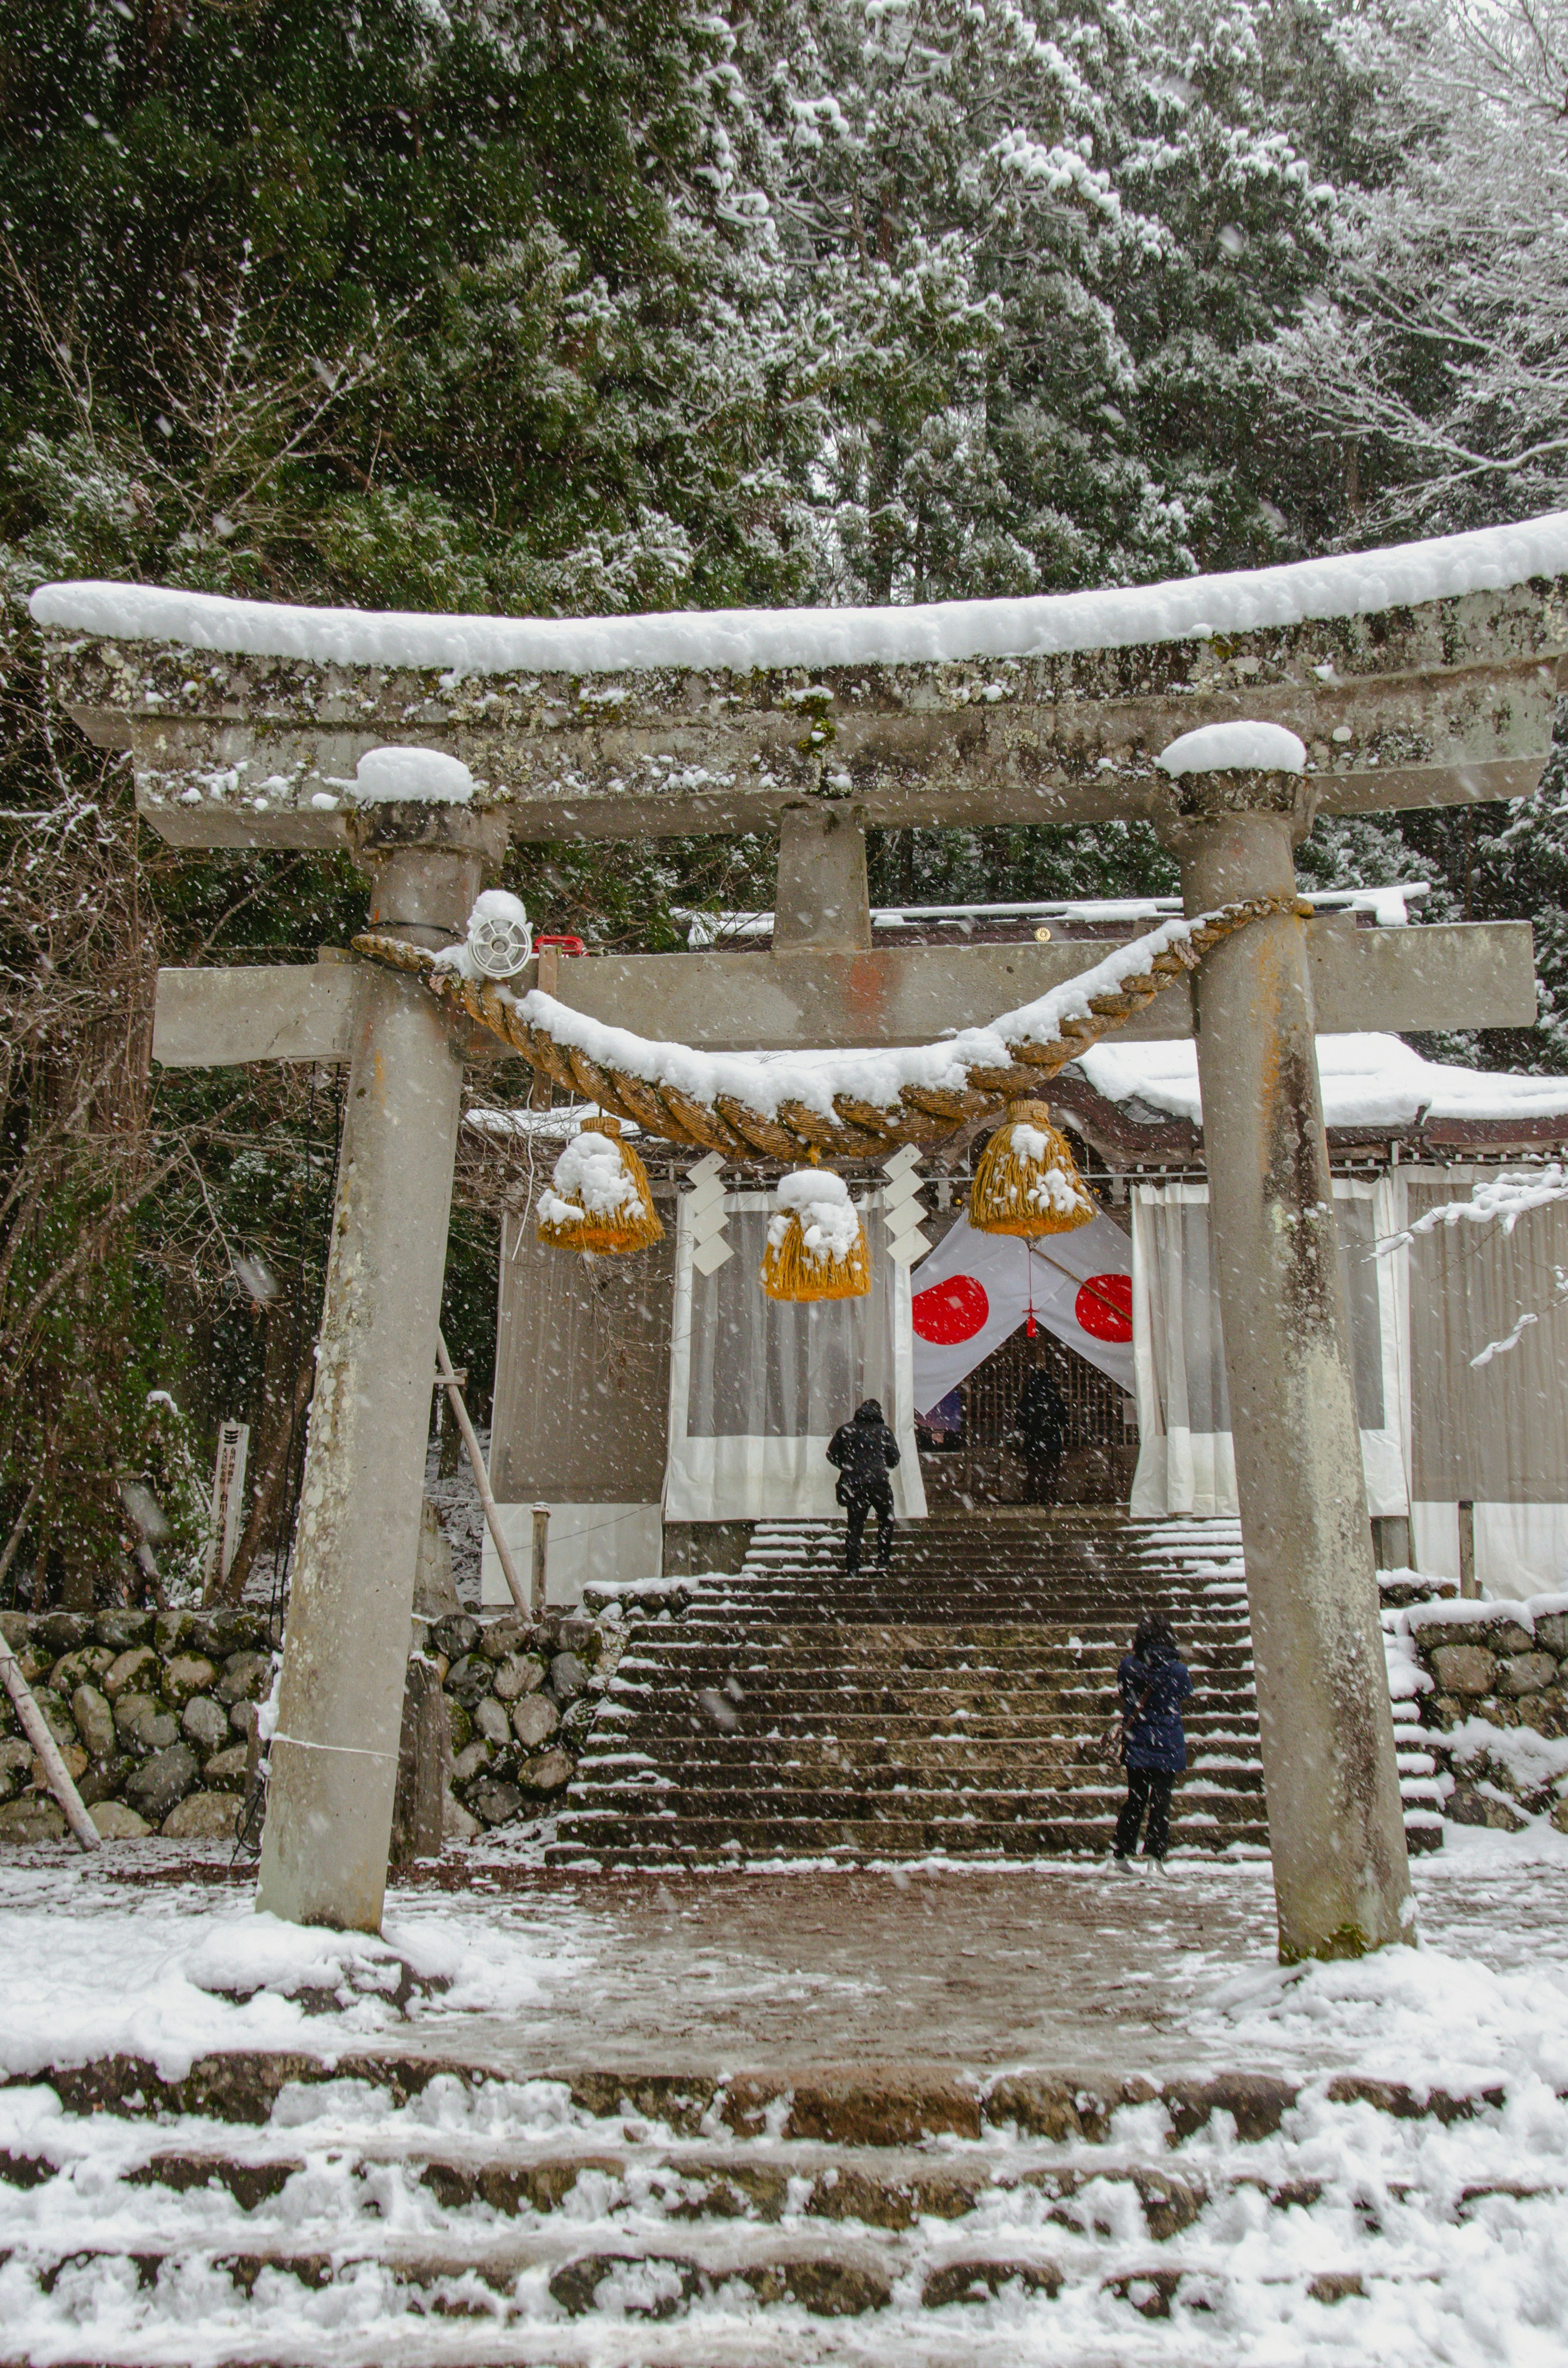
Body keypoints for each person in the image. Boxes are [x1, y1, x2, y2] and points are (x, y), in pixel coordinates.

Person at [1112, 1612, 1192, 1870]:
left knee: (1136, 1798)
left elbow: (1124, 1690)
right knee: (1161, 1801)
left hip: (1138, 1743)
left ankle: (1121, 1854)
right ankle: (1154, 1856)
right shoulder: (1178, 1670)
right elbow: (1183, 1693)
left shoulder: (1128, 1665)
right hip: (1167, 1744)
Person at [827, 1399, 900, 1575]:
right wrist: (880, 1467)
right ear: (878, 1413)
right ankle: (883, 1561)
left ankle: (853, 1567)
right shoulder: (884, 1432)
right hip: (879, 1484)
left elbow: (831, 1454)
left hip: (855, 1485)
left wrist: (847, 1466)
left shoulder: (846, 1430)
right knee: (886, 1522)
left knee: (855, 1526)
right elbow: (895, 1458)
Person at [1008, 1364, 1069, 1501]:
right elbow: (1064, 1419)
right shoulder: (1054, 1399)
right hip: (1052, 1445)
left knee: (1033, 1472)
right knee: (1050, 1474)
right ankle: (1049, 1499)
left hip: (1032, 1444)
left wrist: (1031, 1430)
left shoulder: (1027, 1399)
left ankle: (1032, 1498)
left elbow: (1019, 1420)